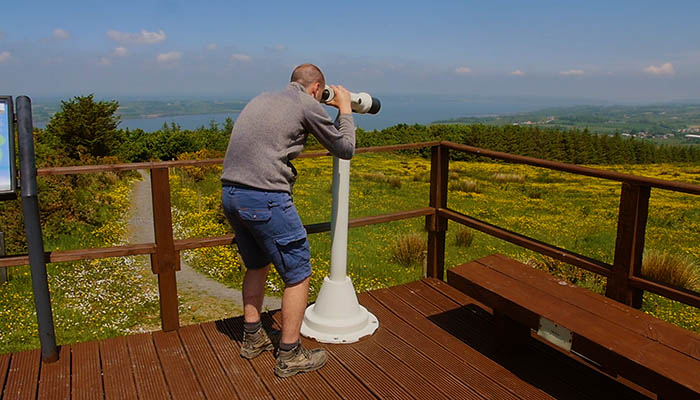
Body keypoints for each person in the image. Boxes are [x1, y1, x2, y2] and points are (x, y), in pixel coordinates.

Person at [220, 63, 354, 377]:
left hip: (230, 193)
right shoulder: (307, 103)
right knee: (298, 272)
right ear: (317, 88)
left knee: (257, 264)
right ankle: (290, 354)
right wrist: (345, 109)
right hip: (265, 197)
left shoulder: (263, 98)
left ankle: (253, 338)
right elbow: (344, 147)